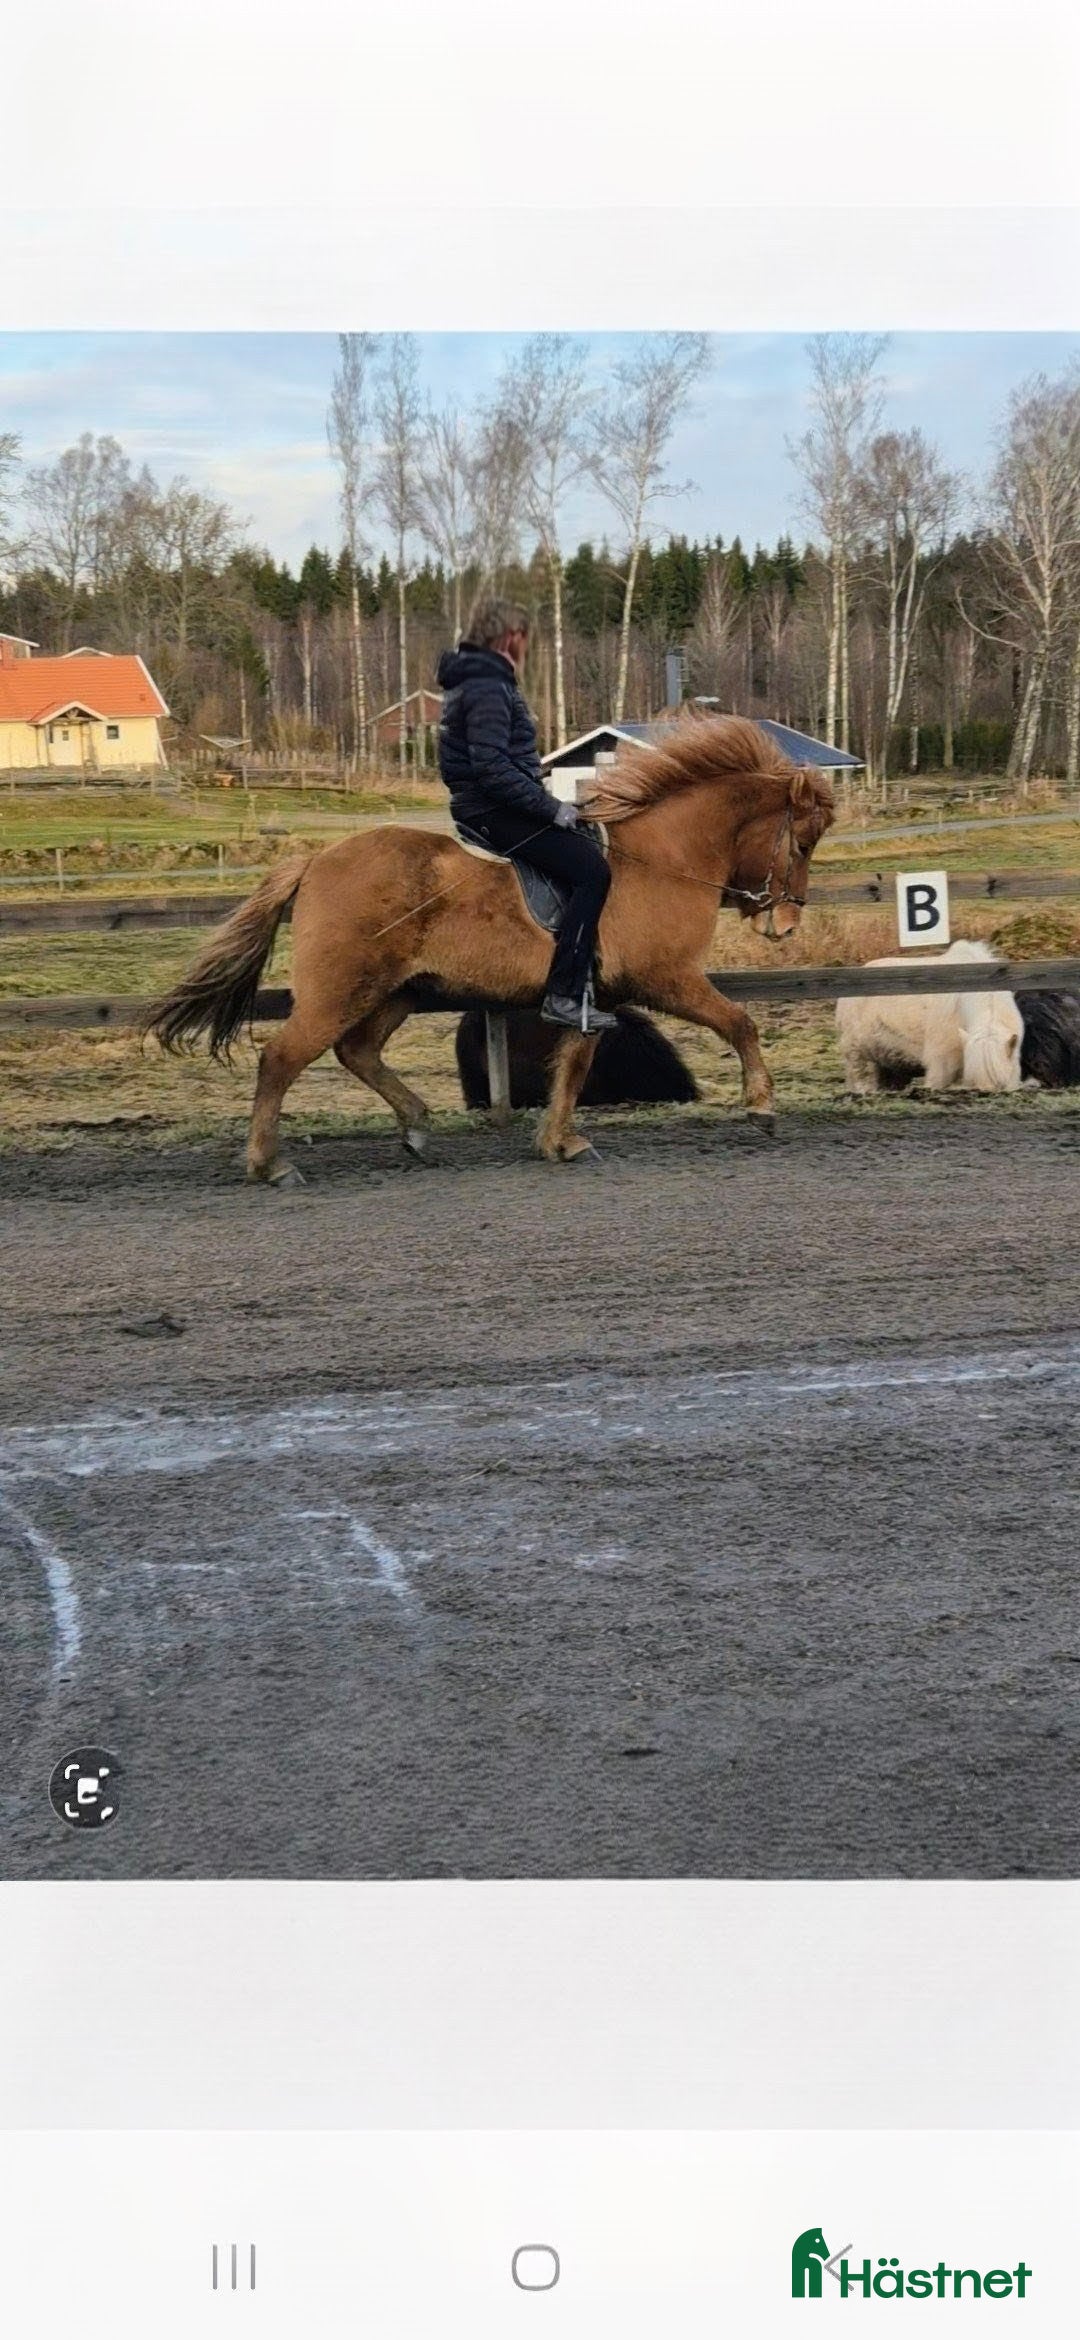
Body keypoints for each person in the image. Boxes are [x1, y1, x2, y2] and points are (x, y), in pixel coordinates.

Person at [436, 599, 616, 1033]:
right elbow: (494, 769)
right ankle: (565, 995)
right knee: (592, 872)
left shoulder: (481, 681)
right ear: (508, 636)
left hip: (495, 802)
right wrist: (553, 809)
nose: (525, 647)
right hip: (491, 808)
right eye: (523, 637)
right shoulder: (486, 686)